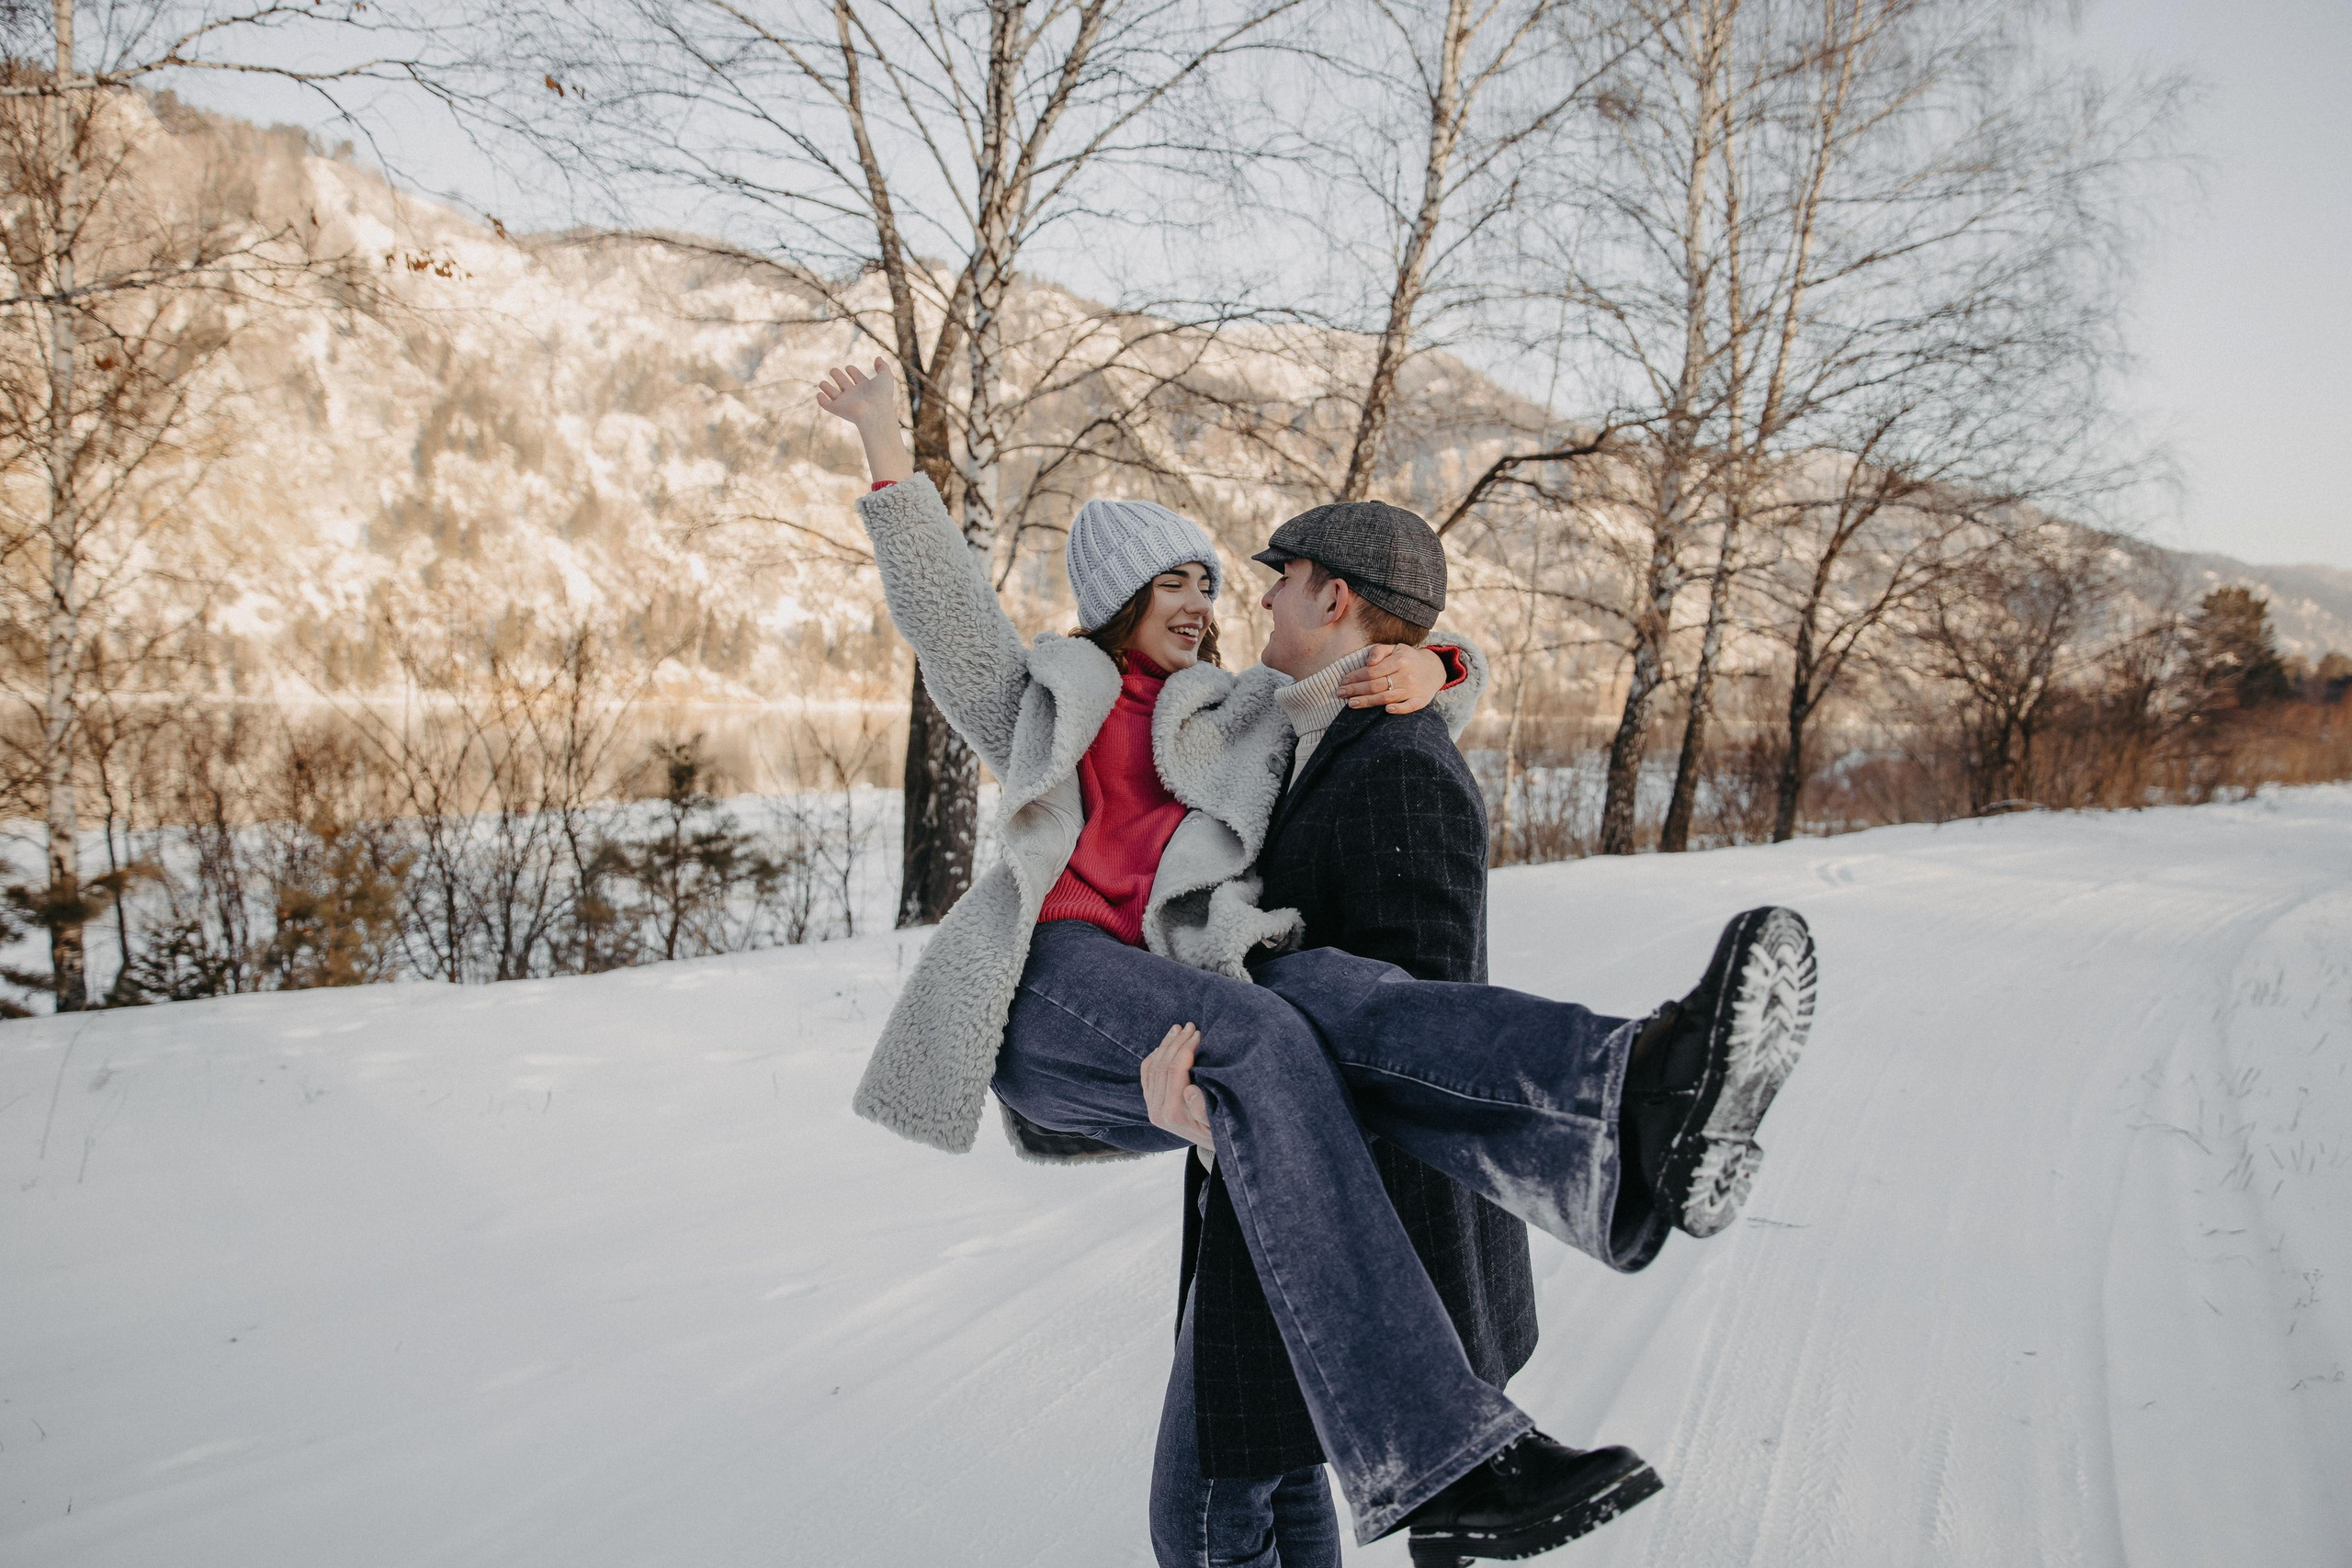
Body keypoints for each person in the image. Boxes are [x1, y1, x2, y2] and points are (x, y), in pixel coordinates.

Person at [816, 359, 1819, 1563]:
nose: (1202, 600)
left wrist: (1445, 665)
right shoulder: (1044, 697)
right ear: (1117, 597)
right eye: (1174, 581)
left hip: (1180, 1005)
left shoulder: (1232, 713)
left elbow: (1361, 674)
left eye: (1209, 583)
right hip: (1048, 993)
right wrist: (882, 440)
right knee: (1263, 1032)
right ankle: (1443, 1448)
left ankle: (1630, 1095)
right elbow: (942, 612)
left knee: (1335, 998)